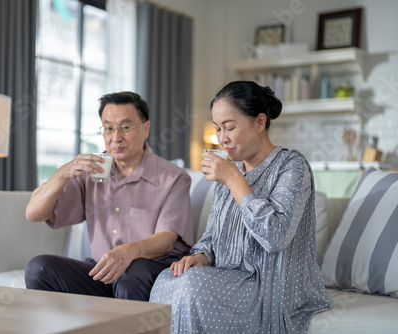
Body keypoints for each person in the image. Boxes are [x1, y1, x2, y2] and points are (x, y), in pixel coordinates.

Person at [149, 81, 332, 333]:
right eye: (217, 129)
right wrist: (201, 256)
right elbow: (211, 236)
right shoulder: (230, 170)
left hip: (271, 286)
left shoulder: (291, 165)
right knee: (168, 279)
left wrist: (234, 180)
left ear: (259, 122)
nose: (222, 138)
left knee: (193, 288)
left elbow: (275, 235)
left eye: (229, 127)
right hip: (230, 277)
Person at [25, 91, 193, 301]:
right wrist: (64, 172)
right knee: (39, 268)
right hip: (103, 272)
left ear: (145, 128)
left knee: (133, 272)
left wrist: (127, 252)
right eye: (108, 128)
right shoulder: (92, 170)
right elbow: (33, 213)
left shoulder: (174, 178)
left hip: (150, 272)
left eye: (125, 127)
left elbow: (167, 240)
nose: (116, 138)